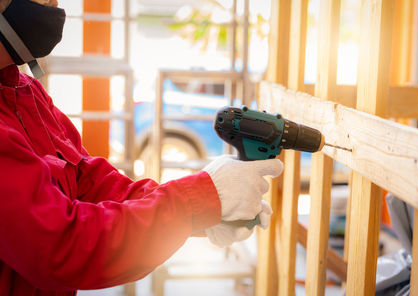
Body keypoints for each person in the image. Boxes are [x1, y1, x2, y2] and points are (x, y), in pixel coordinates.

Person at [0, 0, 283, 295]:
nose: (54, 3)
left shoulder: (24, 92)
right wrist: (198, 200)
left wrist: (201, 213)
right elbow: (64, 247)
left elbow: (93, 185)